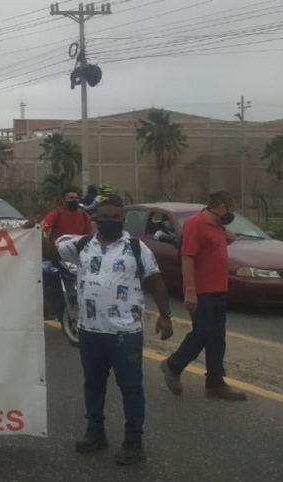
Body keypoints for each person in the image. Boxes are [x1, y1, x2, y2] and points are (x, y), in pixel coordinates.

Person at [56, 196, 174, 466]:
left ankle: (134, 443)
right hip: (89, 331)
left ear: (121, 220)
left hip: (125, 334)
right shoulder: (83, 245)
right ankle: (95, 433)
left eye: (114, 217)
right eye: (104, 216)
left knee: (131, 388)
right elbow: (52, 253)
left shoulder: (136, 247)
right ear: (95, 218)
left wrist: (166, 316)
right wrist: (32, 231)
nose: (109, 221)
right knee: (93, 385)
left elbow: (155, 280)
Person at [161, 191, 246, 401]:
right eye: (230, 207)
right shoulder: (195, 223)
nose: (232, 212)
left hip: (219, 288)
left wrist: (227, 240)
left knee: (217, 337)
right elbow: (188, 257)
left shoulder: (217, 225)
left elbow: (209, 253)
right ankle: (173, 365)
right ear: (218, 205)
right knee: (203, 332)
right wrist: (190, 290)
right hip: (202, 290)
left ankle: (215, 383)